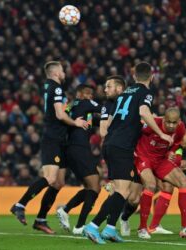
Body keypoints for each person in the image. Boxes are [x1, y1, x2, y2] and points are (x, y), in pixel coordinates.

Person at [83, 62, 173, 244]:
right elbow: (144, 112)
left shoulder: (124, 94)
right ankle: (93, 226)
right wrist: (161, 133)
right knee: (122, 191)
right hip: (122, 146)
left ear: (133, 77)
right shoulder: (145, 93)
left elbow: (110, 123)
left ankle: (109, 229)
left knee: (119, 190)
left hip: (111, 143)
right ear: (152, 77)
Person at [10, 61, 87, 234]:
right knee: (51, 178)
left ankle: (40, 219)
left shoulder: (49, 87)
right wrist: (75, 122)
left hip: (59, 139)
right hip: (53, 138)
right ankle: (20, 204)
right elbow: (60, 114)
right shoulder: (57, 88)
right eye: (62, 70)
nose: (64, 73)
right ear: (55, 73)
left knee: (59, 182)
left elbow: (59, 110)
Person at [119, 126, 186, 239]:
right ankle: (125, 219)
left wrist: (178, 161)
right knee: (134, 200)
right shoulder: (167, 128)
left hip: (157, 163)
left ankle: (183, 227)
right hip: (141, 158)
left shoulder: (179, 141)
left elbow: (175, 156)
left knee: (180, 183)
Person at [56, 83, 111, 235]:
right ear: (79, 94)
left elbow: (91, 121)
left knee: (90, 187)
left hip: (71, 150)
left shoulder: (72, 107)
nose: (90, 96)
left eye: (92, 94)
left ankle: (65, 210)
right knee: (95, 187)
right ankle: (80, 225)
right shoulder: (85, 103)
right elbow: (104, 109)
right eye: (87, 93)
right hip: (79, 149)